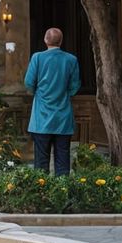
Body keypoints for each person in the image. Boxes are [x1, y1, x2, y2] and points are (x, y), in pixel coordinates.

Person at [24, 27, 80, 176]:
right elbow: (75, 87)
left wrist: (39, 94)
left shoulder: (37, 58)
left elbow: (29, 83)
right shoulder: (71, 60)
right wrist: (64, 94)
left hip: (41, 119)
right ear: (61, 41)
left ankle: (42, 195)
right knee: (63, 163)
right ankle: (62, 193)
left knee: (41, 164)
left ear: (45, 40)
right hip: (63, 118)